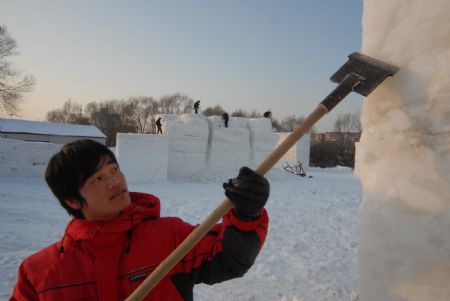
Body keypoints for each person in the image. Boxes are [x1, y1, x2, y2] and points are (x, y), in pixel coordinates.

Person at [10, 139, 270, 301]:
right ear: (72, 201)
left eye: (114, 170)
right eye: (97, 179)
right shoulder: (39, 275)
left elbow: (229, 260)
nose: (114, 182)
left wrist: (246, 215)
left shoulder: (170, 237)